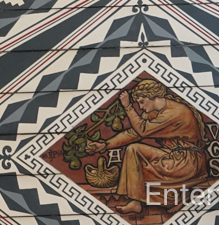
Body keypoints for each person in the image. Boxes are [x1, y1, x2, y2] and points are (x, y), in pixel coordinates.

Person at [84, 79, 207, 217]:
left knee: (137, 157)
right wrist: (105, 144)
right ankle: (137, 202)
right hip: (173, 157)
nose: (141, 107)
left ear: (154, 96)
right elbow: (134, 133)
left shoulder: (175, 111)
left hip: (187, 162)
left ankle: (175, 198)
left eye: (142, 102)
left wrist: (128, 107)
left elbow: (143, 130)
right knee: (133, 150)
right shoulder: (154, 112)